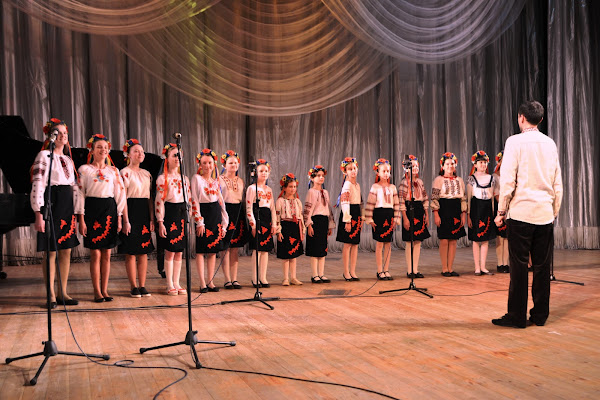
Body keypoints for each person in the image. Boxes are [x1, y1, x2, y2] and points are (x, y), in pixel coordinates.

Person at [493, 100, 563, 328]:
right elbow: (557, 182)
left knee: (519, 267)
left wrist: (501, 211)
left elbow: (507, 180)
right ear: (540, 119)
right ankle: (540, 315)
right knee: (542, 267)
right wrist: (554, 211)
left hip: (521, 213)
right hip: (544, 214)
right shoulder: (550, 143)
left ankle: (517, 316)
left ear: (521, 117)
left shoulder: (514, 142)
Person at [30, 118, 80, 308]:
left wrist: (77, 211)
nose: (63, 136)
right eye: (58, 133)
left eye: (65, 133)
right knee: (51, 251)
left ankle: (63, 292)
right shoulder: (44, 155)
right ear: (50, 136)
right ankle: (50, 294)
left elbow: (74, 187)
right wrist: (38, 212)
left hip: (67, 205)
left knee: (66, 249)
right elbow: (38, 184)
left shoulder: (68, 159)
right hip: (52, 204)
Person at [77, 134, 126, 302]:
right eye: (99, 147)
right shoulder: (84, 170)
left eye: (105, 147)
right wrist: (81, 219)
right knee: (95, 253)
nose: (103, 150)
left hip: (109, 209)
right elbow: (80, 194)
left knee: (107, 253)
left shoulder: (113, 171)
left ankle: (105, 289)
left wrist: (119, 217)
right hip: (92, 210)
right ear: (91, 150)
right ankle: (96, 291)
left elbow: (120, 194)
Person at [119, 139, 155, 298]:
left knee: (143, 251)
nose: (140, 154)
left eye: (141, 151)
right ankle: (133, 285)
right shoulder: (124, 172)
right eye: (136, 151)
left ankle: (142, 285)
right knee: (131, 251)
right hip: (130, 210)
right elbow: (123, 198)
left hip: (143, 212)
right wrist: (125, 220)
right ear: (128, 154)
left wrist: (152, 218)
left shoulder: (147, 174)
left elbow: (149, 198)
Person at [155, 143, 191, 296]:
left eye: (179, 156)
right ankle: (169, 283)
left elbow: (188, 200)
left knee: (179, 251)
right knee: (170, 250)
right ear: (167, 158)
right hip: (170, 213)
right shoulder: (162, 178)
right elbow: (159, 201)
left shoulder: (185, 179)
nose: (177, 158)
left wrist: (188, 220)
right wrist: (160, 221)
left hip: (182, 214)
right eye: (174, 155)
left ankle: (177, 282)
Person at [191, 148, 228, 293]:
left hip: (215, 215)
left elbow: (221, 202)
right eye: (204, 163)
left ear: (214, 164)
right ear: (200, 164)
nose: (207, 166)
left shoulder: (215, 181)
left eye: (210, 163)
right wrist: (199, 221)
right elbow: (194, 200)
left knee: (213, 250)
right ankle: (202, 283)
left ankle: (210, 281)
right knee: (201, 250)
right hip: (204, 214)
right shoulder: (196, 179)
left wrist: (224, 223)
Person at [431, 152, 467, 277]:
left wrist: (463, 214)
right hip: (444, 209)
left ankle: (451, 268)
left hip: (456, 209)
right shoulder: (438, 180)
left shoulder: (459, 180)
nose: (450, 166)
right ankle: (444, 268)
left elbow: (463, 198)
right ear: (443, 166)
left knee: (453, 240)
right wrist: (436, 214)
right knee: (444, 239)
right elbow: (434, 198)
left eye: (452, 164)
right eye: (447, 164)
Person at [364, 159, 400, 281]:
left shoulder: (393, 187)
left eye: (388, 171)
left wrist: (396, 219)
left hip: (389, 215)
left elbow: (396, 204)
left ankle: (386, 269)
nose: (386, 173)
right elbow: (370, 203)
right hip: (379, 215)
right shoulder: (375, 187)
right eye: (383, 171)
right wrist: (369, 218)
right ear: (378, 173)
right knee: (379, 243)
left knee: (388, 243)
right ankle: (380, 270)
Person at [218, 150, 248, 289]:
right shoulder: (220, 179)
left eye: (235, 163)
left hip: (237, 212)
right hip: (225, 211)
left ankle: (235, 278)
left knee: (235, 248)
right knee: (225, 247)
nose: (234, 165)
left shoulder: (240, 181)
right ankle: (227, 279)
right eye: (230, 163)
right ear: (224, 165)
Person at [246, 159, 277, 288]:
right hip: (257, 218)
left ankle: (263, 277)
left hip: (267, 219)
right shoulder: (252, 188)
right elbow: (249, 208)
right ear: (255, 173)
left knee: (265, 251)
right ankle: (255, 278)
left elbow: (273, 208)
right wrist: (253, 224)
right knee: (257, 250)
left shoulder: (269, 189)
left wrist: (274, 224)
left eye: (266, 171)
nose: (264, 173)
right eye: (261, 171)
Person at [398, 155, 430, 279]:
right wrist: (405, 218)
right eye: (412, 166)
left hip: (419, 210)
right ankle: (409, 270)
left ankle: (415, 269)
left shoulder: (420, 182)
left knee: (418, 241)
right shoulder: (404, 183)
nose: (415, 168)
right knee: (409, 241)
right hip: (409, 210)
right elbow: (401, 201)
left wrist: (426, 215)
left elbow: (425, 199)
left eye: (416, 166)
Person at [303, 165, 335, 284]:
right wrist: (309, 224)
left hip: (323, 221)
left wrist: (330, 225)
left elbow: (328, 209)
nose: (321, 178)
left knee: (322, 249)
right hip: (314, 221)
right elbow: (307, 209)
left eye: (322, 176)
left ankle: (321, 274)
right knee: (314, 249)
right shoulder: (311, 192)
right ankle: (314, 274)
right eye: (318, 176)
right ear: (312, 178)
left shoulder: (325, 192)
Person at [466, 150, 496, 275]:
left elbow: (492, 197)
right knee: (476, 239)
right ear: (475, 164)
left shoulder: (491, 178)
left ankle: (483, 266)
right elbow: (468, 198)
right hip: (476, 209)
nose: (483, 165)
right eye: (480, 162)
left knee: (485, 239)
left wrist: (493, 212)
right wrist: (468, 215)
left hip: (487, 209)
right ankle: (477, 267)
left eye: (485, 162)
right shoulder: (471, 179)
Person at [335, 157, 362, 281]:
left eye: (354, 168)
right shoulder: (347, 185)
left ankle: (353, 271)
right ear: (345, 171)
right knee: (347, 244)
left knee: (355, 244)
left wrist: (361, 217)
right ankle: (346, 271)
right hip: (349, 214)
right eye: (350, 169)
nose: (353, 171)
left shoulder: (357, 185)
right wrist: (347, 220)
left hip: (356, 213)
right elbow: (344, 202)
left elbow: (360, 202)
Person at [275, 173, 305, 286]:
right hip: (285, 227)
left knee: (294, 255)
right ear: (284, 187)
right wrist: (278, 231)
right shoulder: (280, 201)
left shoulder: (298, 201)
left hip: (295, 227)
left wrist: (302, 230)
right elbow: (277, 217)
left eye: (294, 187)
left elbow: (300, 217)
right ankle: (285, 278)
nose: (293, 189)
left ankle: (293, 277)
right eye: (290, 187)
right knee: (286, 255)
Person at [493, 151, 509, 273]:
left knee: (507, 237)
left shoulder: (511, 175)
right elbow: (496, 193)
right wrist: (503, 205)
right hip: (499, 207)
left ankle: (506, 263)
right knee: (500, 236)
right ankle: (500, 263)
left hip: (510, 207)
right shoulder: (495, 177)